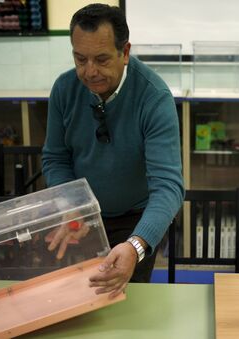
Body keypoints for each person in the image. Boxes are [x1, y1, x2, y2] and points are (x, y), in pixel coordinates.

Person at [42, 3, 184, 299]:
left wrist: (136, 245)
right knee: (79, 302)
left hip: (137, 220)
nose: (90, 72)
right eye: (80, 59)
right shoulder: (64, 90)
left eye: (102, 59)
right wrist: (73, 207)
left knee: (126, 306)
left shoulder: (153, 97)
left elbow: (168, 187)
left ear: (125, 52)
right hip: (81, 219)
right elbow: (55, 159)